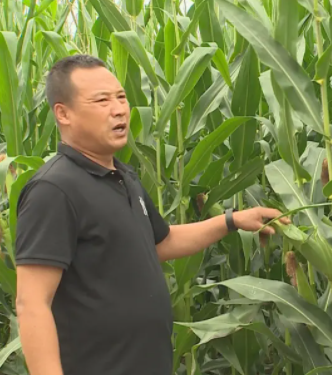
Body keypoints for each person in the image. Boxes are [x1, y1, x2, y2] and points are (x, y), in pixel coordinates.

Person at [14, 54, 290, 375]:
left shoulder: (122, 176)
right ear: (63, 113)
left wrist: (232, 221)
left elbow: (161, 242)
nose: (118, 109)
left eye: (121, 97)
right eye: (101, 101)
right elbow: (32, 304)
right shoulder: (54, 190)